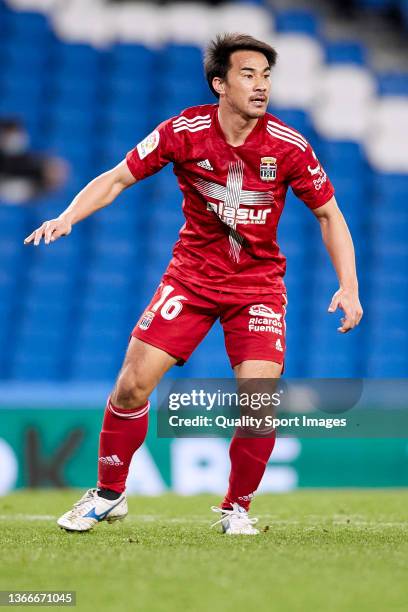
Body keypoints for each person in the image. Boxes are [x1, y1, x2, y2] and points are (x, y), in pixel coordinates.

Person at [24, 33, 363, 535]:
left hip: (257, 286)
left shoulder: (289, 147)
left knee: (259, 399)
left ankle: (237, 509)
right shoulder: (183, 131)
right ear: (219, 84)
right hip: (191, 279)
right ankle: (109, 494)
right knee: (132, 385)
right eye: (248, 75)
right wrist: (69, 216)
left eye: (266, 76)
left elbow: (330, 215)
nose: (261, 85)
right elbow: (117, 177)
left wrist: (349, 286)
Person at [0, 119, 67, 204]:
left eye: (57, 174)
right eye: (56, 167)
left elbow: (6, 191)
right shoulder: (22, 148)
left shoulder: (28, 190)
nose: (54, 171)